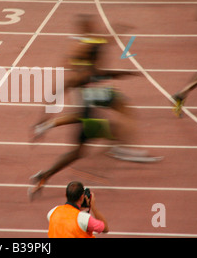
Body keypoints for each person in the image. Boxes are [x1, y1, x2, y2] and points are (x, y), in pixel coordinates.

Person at [28, 15, 162, 200]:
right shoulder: (83, 71)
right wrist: (43, 120)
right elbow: (61, 89)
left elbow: (100, 64)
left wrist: (122, 71)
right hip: (88, 117)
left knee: (77, 152)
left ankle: (43, 176)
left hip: (86, 114)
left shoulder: (85, 68)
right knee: (116, 135)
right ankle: (96, 172)